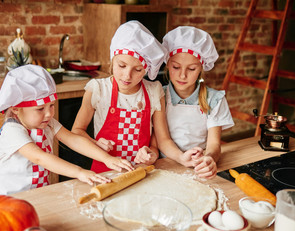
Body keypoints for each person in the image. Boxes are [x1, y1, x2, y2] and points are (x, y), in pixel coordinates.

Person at [72, 21, 202, 173]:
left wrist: (153, 155)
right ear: (112, 60)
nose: (127, 76)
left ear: (146, 70)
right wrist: (95, 143)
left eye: (138, 70)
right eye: (121, 66)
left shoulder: (154, 91)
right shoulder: (99, 89)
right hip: (105, 171)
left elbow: (161, 140)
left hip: (141, 172)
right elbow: (77, 132)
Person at [0, 64, 134, 195]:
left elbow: (73, 140)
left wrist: (106, 158)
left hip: (37, 195)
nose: (49, 113)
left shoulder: (47, 123)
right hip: (7, 199)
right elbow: (40, 158)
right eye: (40, 109)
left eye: (51, 106)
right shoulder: (12, 131)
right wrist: (79, 172)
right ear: (16, 109)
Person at [162, 26, 234, 179]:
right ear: (167, 64)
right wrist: (180, 157)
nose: (182, 75)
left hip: (197, 168)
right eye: (176, 67)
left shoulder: (214, 100)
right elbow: (160, 139)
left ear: (201, 68)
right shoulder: (159, 96)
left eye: (192, 69)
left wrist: (209, 159)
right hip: (164, 166)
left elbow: (214, 144)